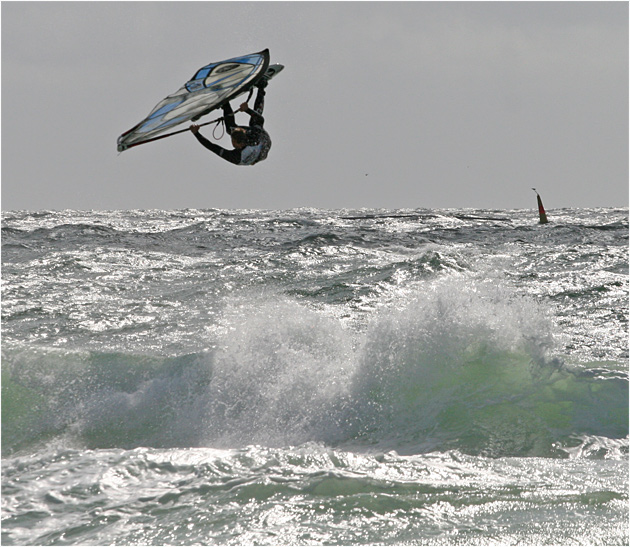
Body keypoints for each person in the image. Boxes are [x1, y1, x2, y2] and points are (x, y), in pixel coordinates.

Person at [190, 81, 271, 166]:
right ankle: (262, 87)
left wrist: (196, 133)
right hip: (264, 144)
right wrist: (247, 110)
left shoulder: (235, 157)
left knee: (230, 128)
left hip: (253, 153)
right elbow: (260, 119)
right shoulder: (255, 135)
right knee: (255, 122)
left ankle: (225, 104)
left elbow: (212, 147)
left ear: (236, 144)